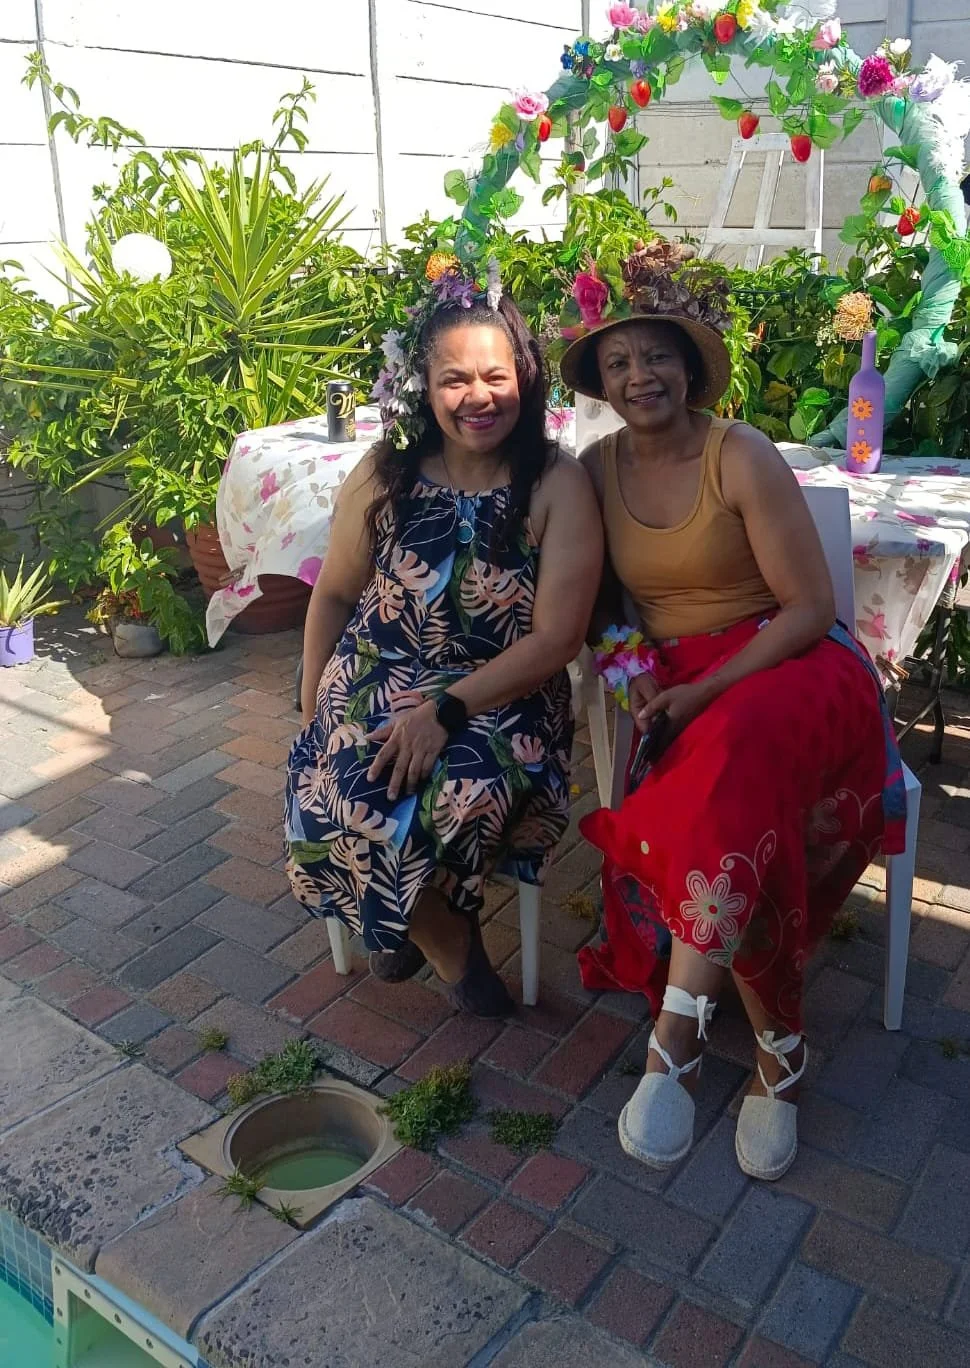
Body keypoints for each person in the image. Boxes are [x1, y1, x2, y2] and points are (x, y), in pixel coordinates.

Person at [560, 242, 905, 1179]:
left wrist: (702, 692)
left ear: (689, 365)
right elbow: (601, 611)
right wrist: (637, 686)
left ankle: (674, 1038)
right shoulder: (593, 472)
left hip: (788, 665)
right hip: (680, 687)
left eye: (657, 356)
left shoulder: (738, 453)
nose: (641, 375)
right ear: (600, 378)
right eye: (620, 362)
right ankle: (779, 1053)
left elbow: (809, 608)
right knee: (729, 797)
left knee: (734, 751)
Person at [285, 255, 602, 1018]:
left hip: (503, 690)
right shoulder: (385, 472)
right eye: (454, 379)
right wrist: (311, 707)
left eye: (495, 376)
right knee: (340, 797)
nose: (477, 397)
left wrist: (445, 711)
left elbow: (558, 639)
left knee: (458, 794)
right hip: (373, 674)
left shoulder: (557, 484)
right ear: (421, 388)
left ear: (525, 378)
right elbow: (333, 593)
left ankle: (398, 920)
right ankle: (456, 953)